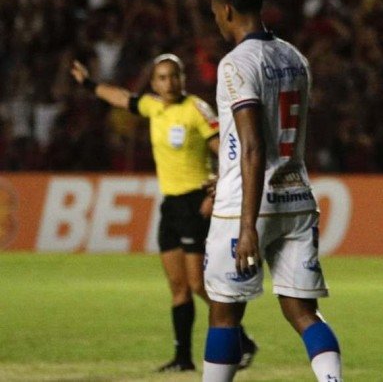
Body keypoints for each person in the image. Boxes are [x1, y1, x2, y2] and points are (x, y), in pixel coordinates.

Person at [70, 54, 258, 372]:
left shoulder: (196, 109)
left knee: (198, 283)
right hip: (170, 205)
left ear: (182, 78)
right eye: (162, 77)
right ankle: (182, 359)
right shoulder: (153, 107)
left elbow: (228, 151)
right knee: (178, 286)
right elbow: (120, 97)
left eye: (174, 76)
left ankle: (240, 338)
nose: (169, 82)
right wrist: (88, 83)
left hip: (195, 203)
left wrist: (217, 188)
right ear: (154, 83)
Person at [202, 0, 342, 382]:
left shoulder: (236, 64)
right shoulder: (295, 57)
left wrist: (246, 226)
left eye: (216, 15)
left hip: (247, 205)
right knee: (303, 311)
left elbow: (251, 145)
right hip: (296, 198)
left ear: (227, 11)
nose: (217, 23)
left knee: (224, 313)